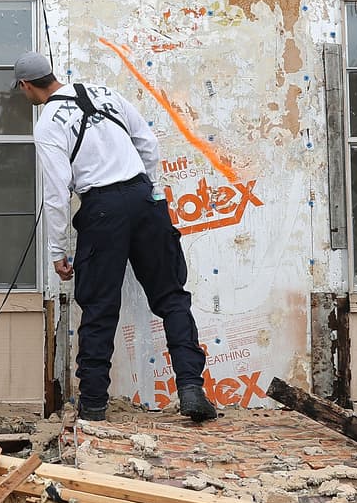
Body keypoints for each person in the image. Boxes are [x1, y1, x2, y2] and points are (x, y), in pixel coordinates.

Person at [13, 51, 216, 423]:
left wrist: (57, 250)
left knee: (100, 307)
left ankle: (92, 405)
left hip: (102, 208)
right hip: (143, 199)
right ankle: (191, 388)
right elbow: (149, 145)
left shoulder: (46, 126)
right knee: (171, 297)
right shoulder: (104, 92)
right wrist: (149, 192)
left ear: (26, 85)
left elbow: (57, 193)